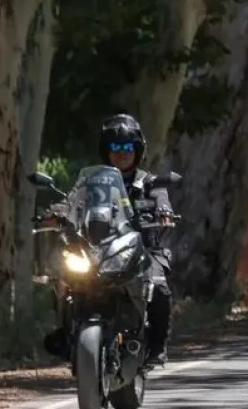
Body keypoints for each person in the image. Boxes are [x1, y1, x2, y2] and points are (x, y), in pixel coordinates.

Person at [43, 113, 176, 367]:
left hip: (142, 248)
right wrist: (56, 213)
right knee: (62, 277)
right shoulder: (90, 182)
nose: (122, 152)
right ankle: (66, 331)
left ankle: (158, 346)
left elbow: (162, 198)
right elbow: (72, 201)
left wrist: (163, 211)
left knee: (158, 287)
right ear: (106, 150)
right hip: (98, 248)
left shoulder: (149, 182)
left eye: (127, 147)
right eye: (115, 147)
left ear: (137, 149)